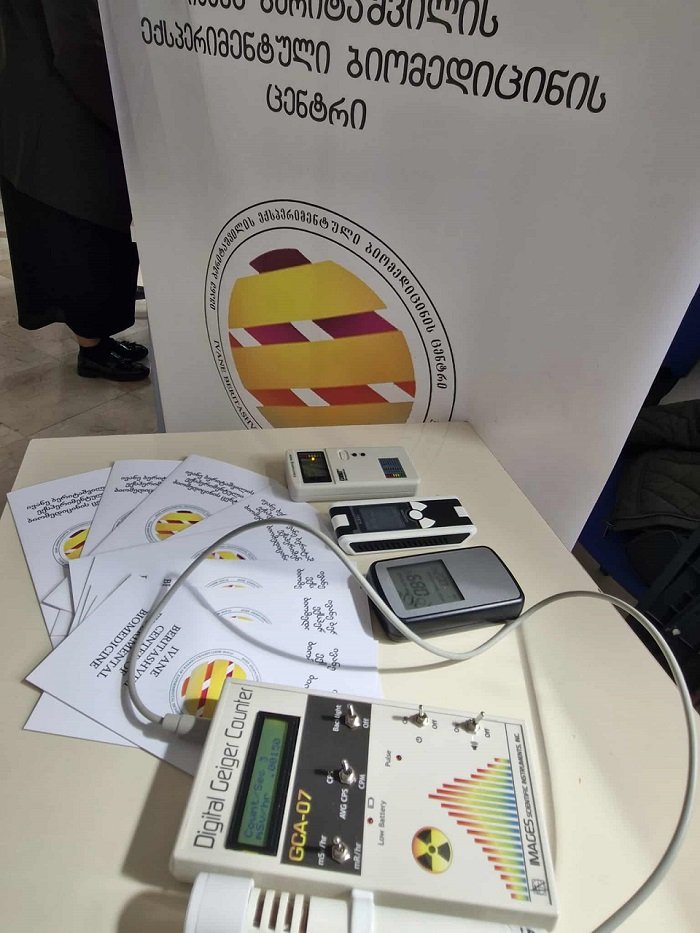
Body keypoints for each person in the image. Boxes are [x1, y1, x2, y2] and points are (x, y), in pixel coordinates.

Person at [0, 0, 149, 381]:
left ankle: (95, 337)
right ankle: (93, 347)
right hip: (66, 114)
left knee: (68, 230)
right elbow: (76, 44)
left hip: (33, 98)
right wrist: (126, 111)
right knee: (84, 230)